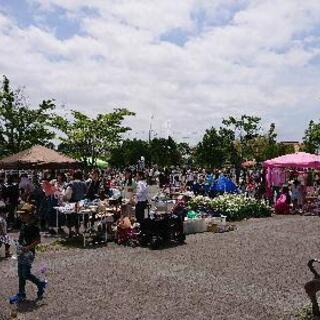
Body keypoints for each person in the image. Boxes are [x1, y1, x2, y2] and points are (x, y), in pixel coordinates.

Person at [9, 203, 47, 303]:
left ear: (29, 215)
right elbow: (21, 238)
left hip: (29, 254)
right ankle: (21, 293)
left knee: (26, 274)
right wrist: (17, 243)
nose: (21, 216)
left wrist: (28, 248)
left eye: (23, 215)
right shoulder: (23, 225)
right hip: (20, 252)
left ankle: (40, 283)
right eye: (20, 215)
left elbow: (38, 241)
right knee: (20, 274)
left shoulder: (34, 227)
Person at [63, 170, 88, 236]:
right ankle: (77, 231)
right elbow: (85, 193)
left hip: (72, 202)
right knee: (78, 217)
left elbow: (68, 195)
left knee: (70, 217)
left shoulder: (71, 183)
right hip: (80, 203)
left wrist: (65, 199)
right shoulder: (83, 183)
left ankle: (70, 231)